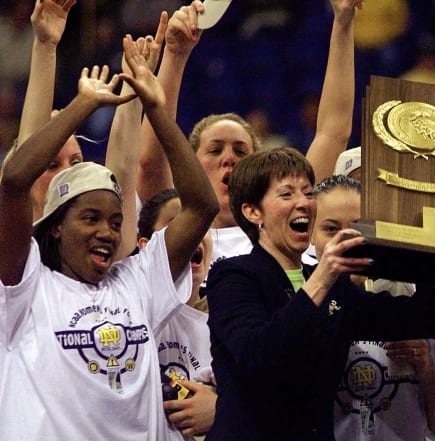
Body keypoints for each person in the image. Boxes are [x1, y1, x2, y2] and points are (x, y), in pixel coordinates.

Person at [0, 35, 219, 440]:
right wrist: (82, 105)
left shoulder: (136, 281)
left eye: (116, 222)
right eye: (90, 218)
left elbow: (202, 207)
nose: (107, 232)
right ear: (57, 226)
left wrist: (155, 106)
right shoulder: (23, 287)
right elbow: (14, 181)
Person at [204, 147, 435, 441]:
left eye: (308, 193)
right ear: (252, 212)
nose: (303, 203)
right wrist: (322, 277)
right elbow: (258, 356)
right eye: (287, 194)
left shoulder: (335, 288)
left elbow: (424, 319)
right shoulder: (234, 276)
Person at [138, 0, 360, 265]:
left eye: (241, 150)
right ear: (191, 167)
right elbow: (151, 162)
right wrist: (175, 55)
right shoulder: (174, 232)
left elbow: (332, 132)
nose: (229, 158)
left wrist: (343, 23)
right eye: (215, 149)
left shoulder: (289, 232)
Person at [15, 0, 166, 260]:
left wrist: (133, 87)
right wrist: (46, 46)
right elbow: (28, 161)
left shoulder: (107, 247)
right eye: (52, 165)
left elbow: (124, 174)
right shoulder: (20, 256)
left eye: (76, 162)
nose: (68, 173)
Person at [312, 174, 435, 441]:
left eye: (357, 227)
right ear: (310, 234)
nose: (344, 239)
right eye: (330, 229)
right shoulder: (298, 307)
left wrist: (425, 367)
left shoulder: (412, 302)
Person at [136, 189, 217, 439]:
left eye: (202, 227)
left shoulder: (232, 318)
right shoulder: (132, 305)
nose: (195, 234)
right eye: (179, 225)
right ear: (146, 247)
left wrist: (221, 408)